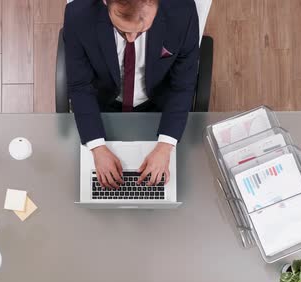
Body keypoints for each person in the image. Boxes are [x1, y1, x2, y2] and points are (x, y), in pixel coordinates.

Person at [64, 0, 200, 189]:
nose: (130, 39)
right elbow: (80, 86)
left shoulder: (183, 11)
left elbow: (183, 85)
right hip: (102, 106)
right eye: (121, 31)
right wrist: (96, 146)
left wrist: (165, 146)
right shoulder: (78, 15)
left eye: (141, 30)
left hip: (159, 107)